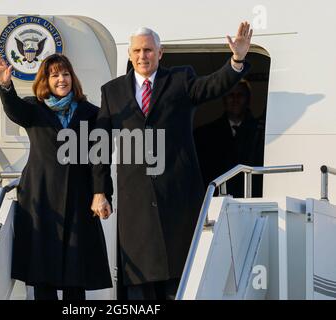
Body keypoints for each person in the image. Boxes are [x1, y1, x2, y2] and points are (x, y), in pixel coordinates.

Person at [91, 22, 252, 300]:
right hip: (136, 200)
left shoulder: (180, 79)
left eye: (149, 50)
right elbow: (100, 144)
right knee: (139, 285)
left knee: (180, 279)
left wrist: (236, 60)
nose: (143, 56)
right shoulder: (112, 91)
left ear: (161, 53)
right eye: (138, 51)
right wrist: (99, 191)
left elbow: (213, 85)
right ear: (129, 54)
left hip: (178, 196)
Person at [0, 53, 112, 300]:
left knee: (76, 276)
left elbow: (100, 158)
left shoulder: (91, 113)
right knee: (43, 274)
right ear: (46, 80)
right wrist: (5, 85)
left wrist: (101, 193)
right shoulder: (34, 108)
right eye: (54, 75)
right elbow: (14, 110)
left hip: (78, 197)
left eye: (65, 74)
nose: (61, 80)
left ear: (72, 78)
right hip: (41, 199)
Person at [194, 79, 265, 197]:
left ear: (248, 100)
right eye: (230, 95)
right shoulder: (205, 135)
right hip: (218, 200)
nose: (235, 99)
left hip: (253, 198)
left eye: (240, 95)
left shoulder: (261, 132)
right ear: (224, 99)